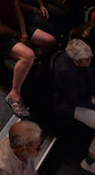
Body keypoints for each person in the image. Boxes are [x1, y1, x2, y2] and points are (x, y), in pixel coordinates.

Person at [51, 39, 95, 174]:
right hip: (71, 105)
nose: (90, 62)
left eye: (90, 58)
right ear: (76, 61)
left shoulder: (82, 60)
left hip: (86, 96)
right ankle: (90, 162)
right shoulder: (66, 73)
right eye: (86, 60)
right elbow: (74, 99)